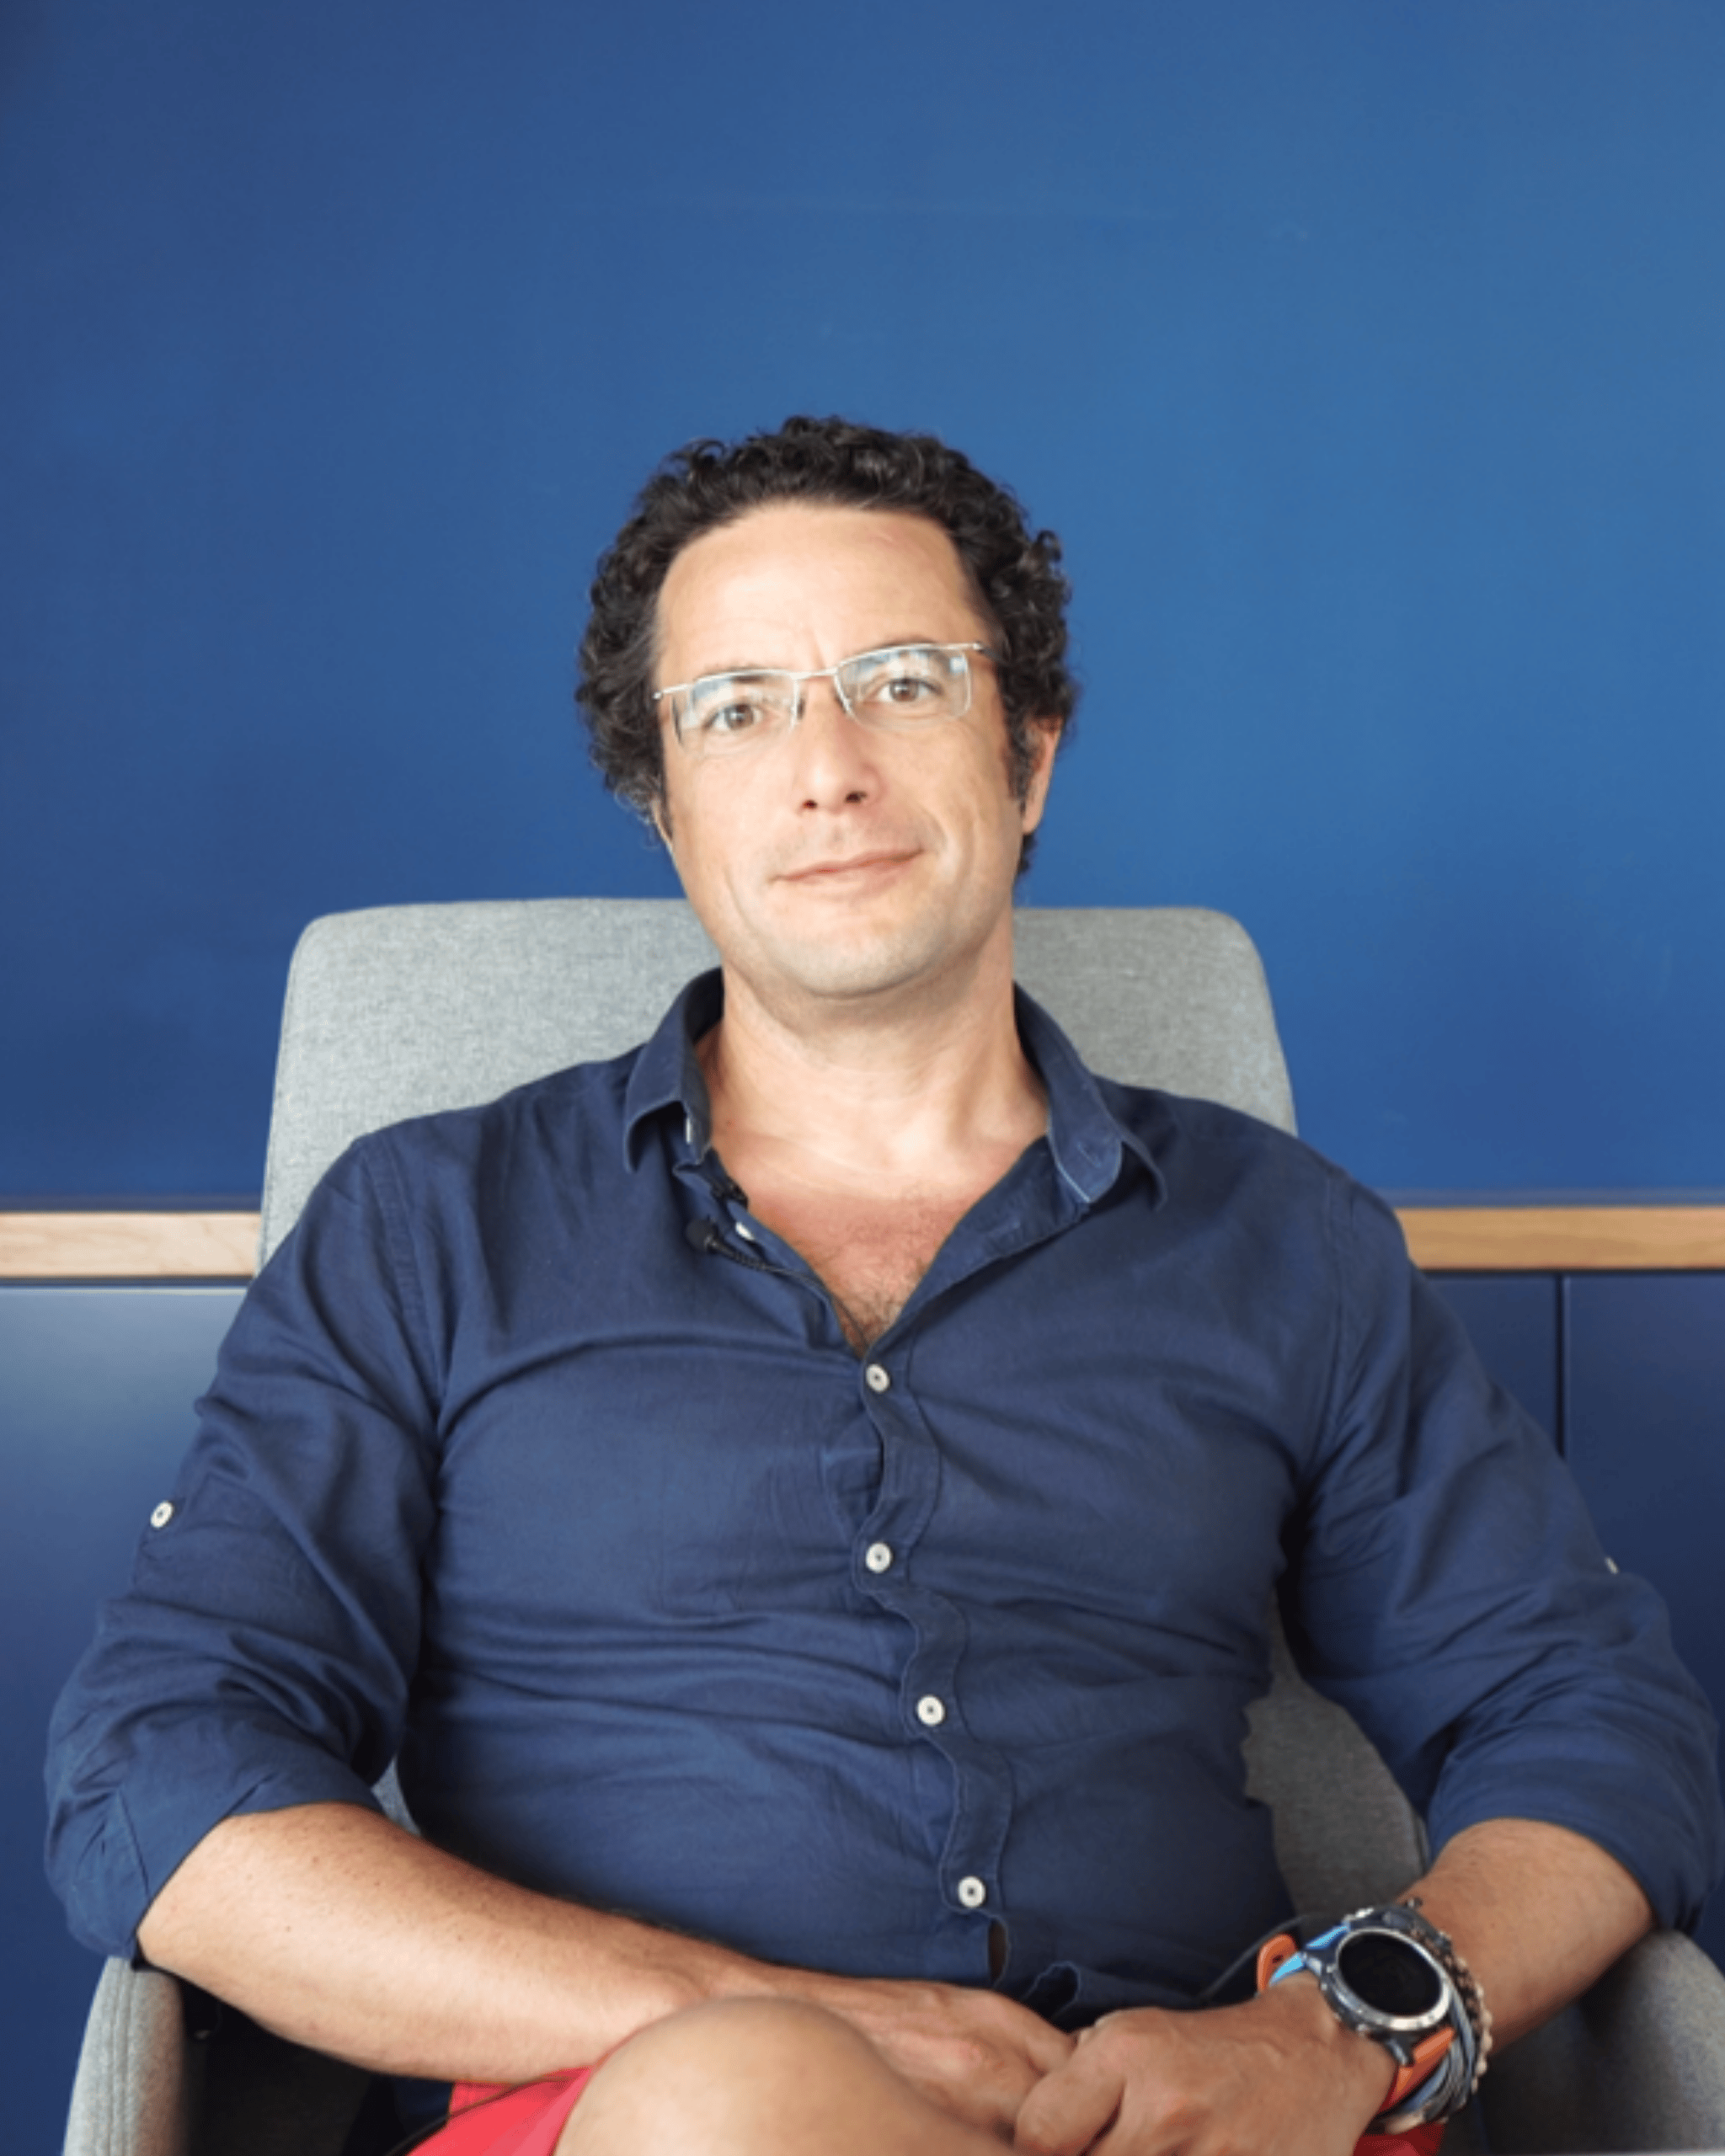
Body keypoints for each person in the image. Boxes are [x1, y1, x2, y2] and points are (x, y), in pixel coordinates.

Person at [48, 417, 1722, 2156]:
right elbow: (159, 1768)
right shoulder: (423, 1228)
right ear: (669, 805)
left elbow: (1588, 1716)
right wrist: (764, 2024)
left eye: (902, 681)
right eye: (739, 706)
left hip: (1188, 2114)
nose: (825, 764)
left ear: (1031, 757)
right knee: (735, 2103)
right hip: (622, 2109)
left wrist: (1337, 2029)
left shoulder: (1281, 1238)